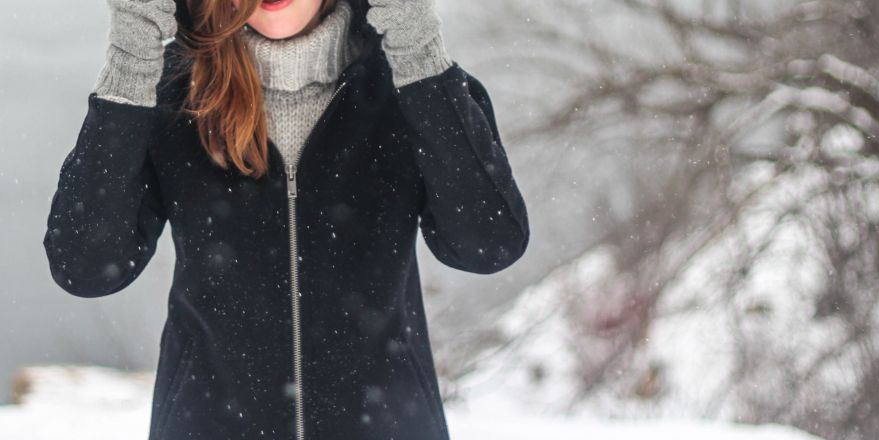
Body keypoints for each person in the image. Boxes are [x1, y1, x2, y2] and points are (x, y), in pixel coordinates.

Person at [42, 0, 530, 438]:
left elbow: (488, 245)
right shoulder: (172, 96)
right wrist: (132, 57)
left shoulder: (413, 86)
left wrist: (416, 43)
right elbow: (85, 267)